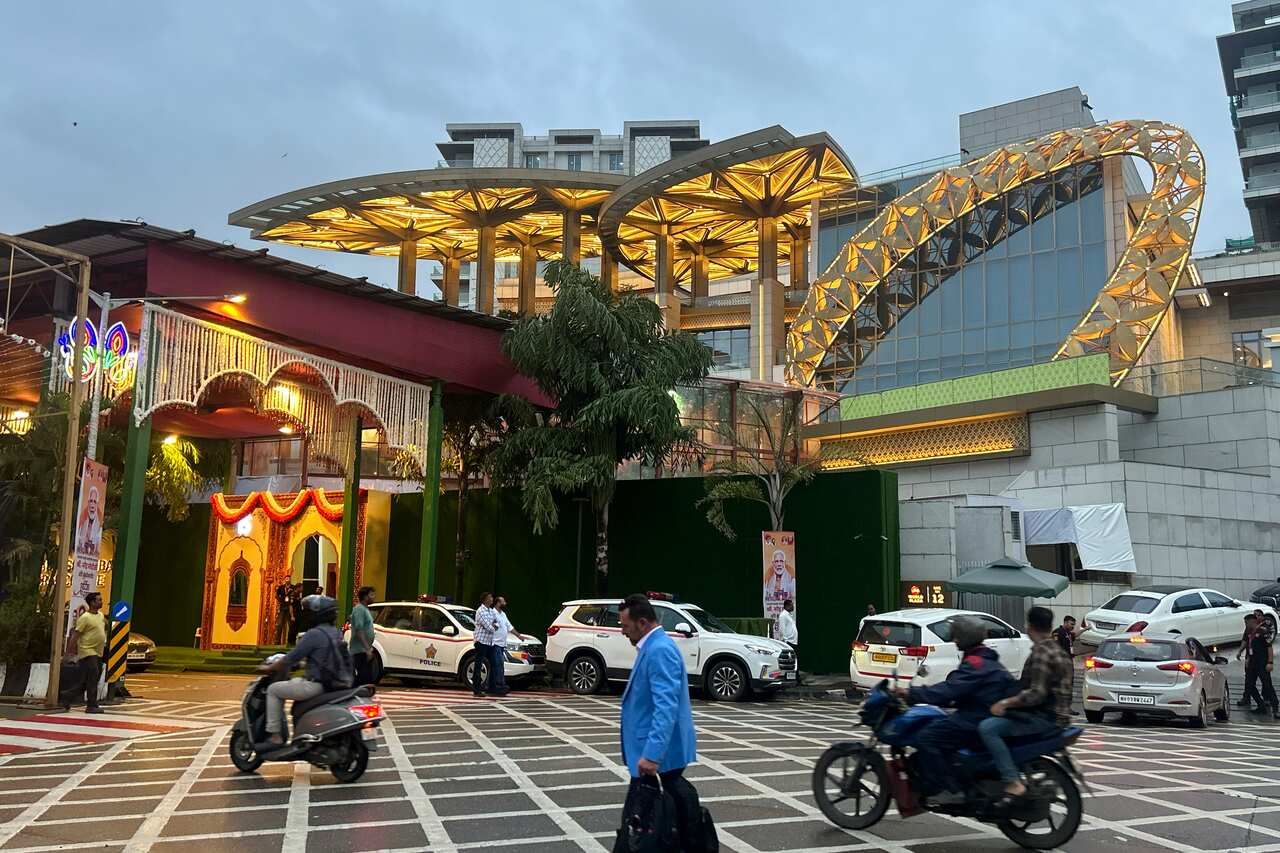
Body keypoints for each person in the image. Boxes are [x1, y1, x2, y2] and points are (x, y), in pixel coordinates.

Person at [897, 615, 1015, 804]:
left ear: (965, 638)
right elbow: (960, 690)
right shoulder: (983, 658)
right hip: (980, 713)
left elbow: (949, 690)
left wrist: (911, 693)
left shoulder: (976, 662)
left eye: (957, 636)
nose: (954, 640)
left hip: (975, 718)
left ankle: (947, 789)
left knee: (926, 737)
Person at [617, 594, 701, 849]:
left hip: (655, 756)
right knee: (651, 822)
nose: (622, 632)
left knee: (639, 825)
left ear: (642, 623)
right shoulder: (654, 647)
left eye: (625, 626)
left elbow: (666, 707)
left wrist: (652, 755)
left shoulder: (659, 650)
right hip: (652, 755)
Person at [980, 606, 1073, 799]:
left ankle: (1012, 780)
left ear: (1029, 627)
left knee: (988, 728)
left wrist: (1005, 703)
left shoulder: (1042, 653)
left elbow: (1036, 694)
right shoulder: (1059, 651)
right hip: (1058, 716)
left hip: (1044, 718)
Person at [260, 595, 348, 747]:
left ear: (317, 614)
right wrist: (302, 665)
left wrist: (270, 667)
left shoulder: (314, 634)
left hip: (314, 685)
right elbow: (323, 659)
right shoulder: (336, 633)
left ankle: (275, 737)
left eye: (309, 612)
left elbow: (290, 658)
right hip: (332, 684)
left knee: (273, 690)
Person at [66, 591, 107, 713]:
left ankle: (66, 697)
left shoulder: (100, 615)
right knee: (93, 677)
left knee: (89, 680)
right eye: (99, 600)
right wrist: (69, 652)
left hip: (98, 652)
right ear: (92, 602)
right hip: (87, 651)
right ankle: (91, 705)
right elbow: (75, 635)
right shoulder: (85, 618)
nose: (101, 602)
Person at [1242, 612, 1279, 719]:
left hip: (1262, 662)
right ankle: (1260, 705)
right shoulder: (1249, 632)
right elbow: (1249, 646)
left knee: (1267, 685)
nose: (1245, 625)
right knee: (1249, 685)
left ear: (1251, 621)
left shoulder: (1263, 631)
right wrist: (1247, 658)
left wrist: (1270, 662)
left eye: (1246, 623)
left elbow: (1269, 647)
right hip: (1252, 662)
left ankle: (1275, 707)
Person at [471, 592, 502, 697]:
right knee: (479, 665)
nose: (492, 599)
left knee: (493, 664)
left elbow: (497, 622)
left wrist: (494, 625)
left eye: (492, 597)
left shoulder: (490, 611)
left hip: (490, 642)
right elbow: (488, 626)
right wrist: (494, 626)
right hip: (481, 641)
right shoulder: (480, 611)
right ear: (484, 599)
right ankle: (477, 689)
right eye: (490, 597)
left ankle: (491, 687)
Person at [349, 586, 377, 691]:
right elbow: (359, 630)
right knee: (363, 680)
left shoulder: (365, 609)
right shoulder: (359, 609)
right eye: (371, 595)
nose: (373, 597)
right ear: (365, 597)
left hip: (364, 650)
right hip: (359, 651)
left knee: (365, 680)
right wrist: (367, 649)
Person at [493, 596, 516, 695]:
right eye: (503, 601)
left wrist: (519, 635)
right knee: (498, 664)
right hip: (495, 644)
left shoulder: (503, 614)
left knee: (500, 665)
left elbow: (509, 627)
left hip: (502, 644)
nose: (505, 603)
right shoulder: (493, 613)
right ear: (498, 603)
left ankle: (501, 685)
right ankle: (498, 685)